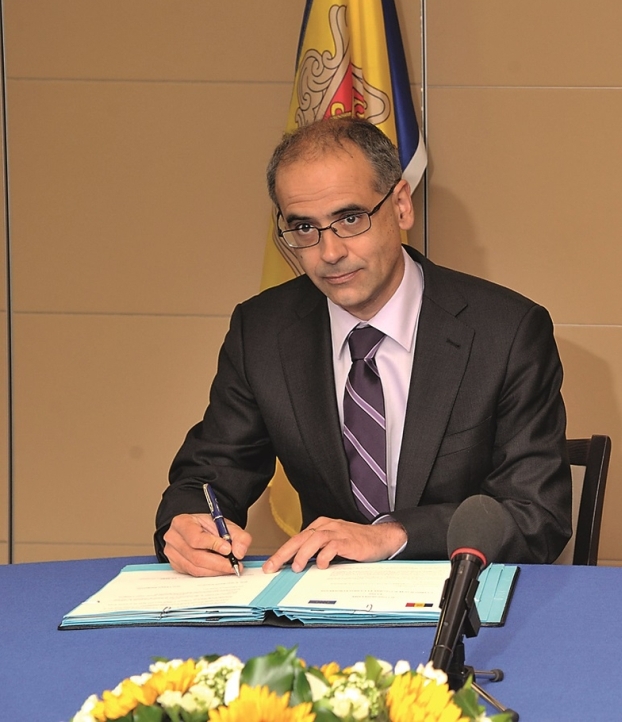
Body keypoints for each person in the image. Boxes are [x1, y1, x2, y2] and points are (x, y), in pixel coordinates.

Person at [155, 116, 571, 576]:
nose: (329, 253)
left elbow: (536, 515)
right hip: (321, 600)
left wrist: (391, 535)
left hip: (459, 596)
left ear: (401, 206)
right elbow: (209, 475)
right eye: (304, 228)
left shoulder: (506, 333)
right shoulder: (263, 332)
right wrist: (189, 524)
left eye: (350, 219)